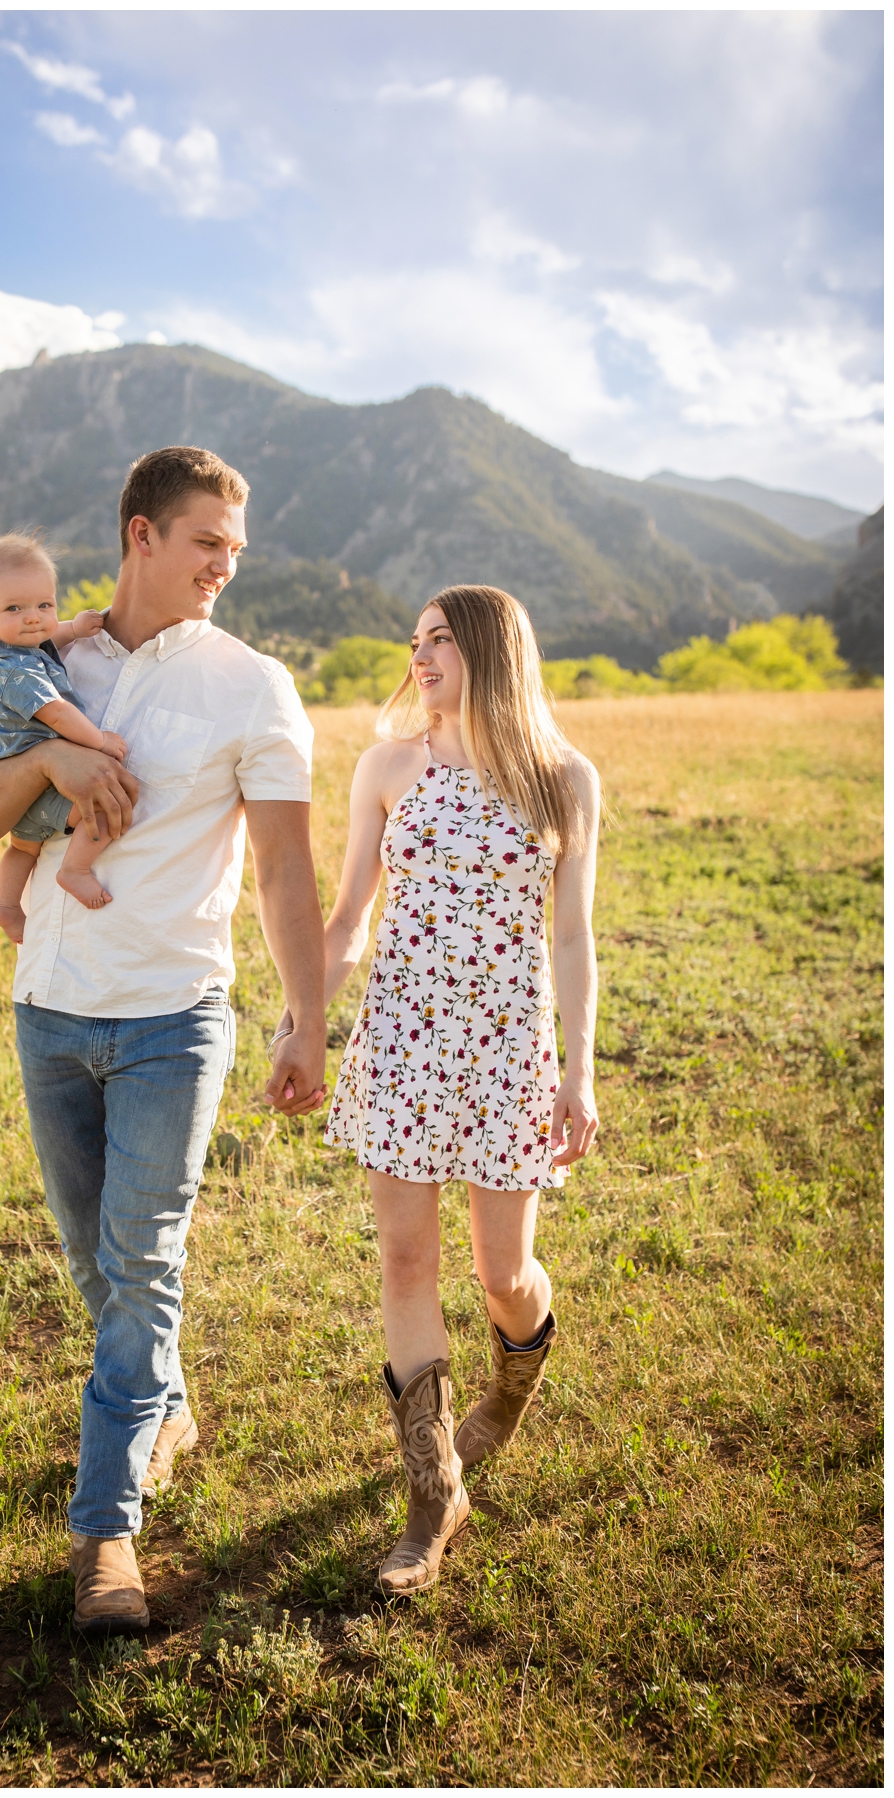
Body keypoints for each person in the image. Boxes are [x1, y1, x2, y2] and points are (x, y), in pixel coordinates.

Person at [0, 445, 328, 1634]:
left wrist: (307, 1017)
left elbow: (285, 870)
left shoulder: (256, 685)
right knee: (96, 1266)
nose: (225, 565)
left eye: (237, 549)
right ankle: (166, 1405)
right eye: (207, 540)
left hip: (173, 1015)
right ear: (141, 533)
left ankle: (105, 1536)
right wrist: (48, 756)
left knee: (144, 1262)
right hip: (50, 1007)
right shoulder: (42, 656)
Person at [317, 585, 599, 1595]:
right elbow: (349, 916)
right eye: (415, 637)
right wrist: (306, 1015)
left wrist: (580, 1068)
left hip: (505, 1053)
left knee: (504, 1275)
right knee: (404, 1260)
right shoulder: (389, 765)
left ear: (489, 648)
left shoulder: (563, 780)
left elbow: (571, 936)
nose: (419, 652)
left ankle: (511, 1391)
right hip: (400, 1045)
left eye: (440, 637)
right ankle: (435, 1496)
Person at [0, 533, 133, 940]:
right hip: (40, 782)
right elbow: (58, 713)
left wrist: (73, 628)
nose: (33, 617)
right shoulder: (15, 673)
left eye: (45, 604)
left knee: (22, 848)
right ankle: (74, 869)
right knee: (108, 803)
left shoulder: (11, 646)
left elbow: (46, 637)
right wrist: (98, 741)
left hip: (18, 777)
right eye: (15, 608)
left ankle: (7, 907)